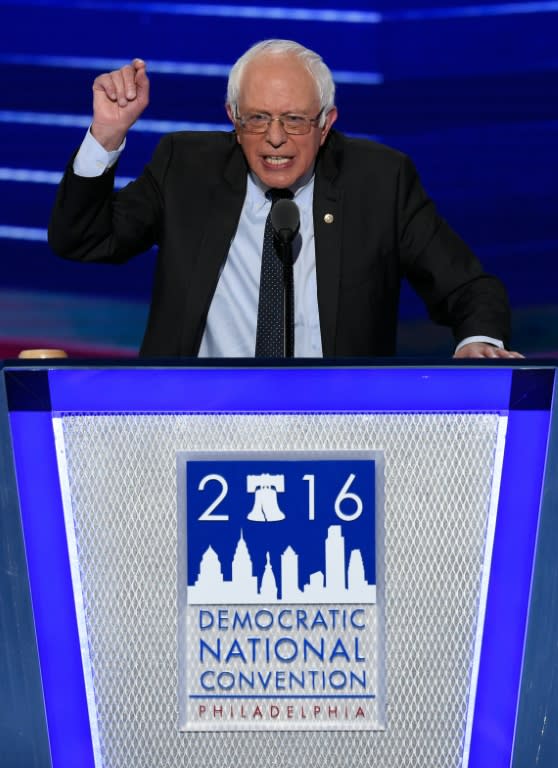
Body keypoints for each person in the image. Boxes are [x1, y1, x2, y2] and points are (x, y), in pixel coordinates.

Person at [48, 39, 522, 359]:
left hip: (336, 436)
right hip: (195, 425)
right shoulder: (186, 168)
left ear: (326, 123)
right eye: (257, 118)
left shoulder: (378, 181)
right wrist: (106, 136)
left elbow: (470, 288)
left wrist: (476, 341)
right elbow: (83, 240)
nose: (275, 138)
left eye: (295, 119)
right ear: (233, 119)